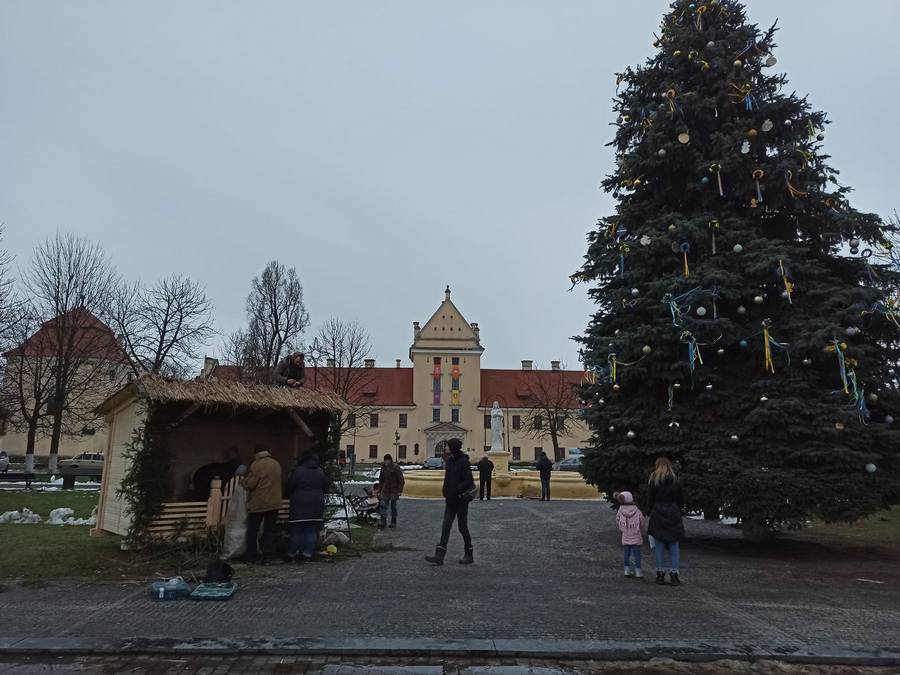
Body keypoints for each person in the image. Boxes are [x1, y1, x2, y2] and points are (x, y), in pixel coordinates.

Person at [425, 438, 476, 566]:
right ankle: (439, 556)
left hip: (460, 500)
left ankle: (469, 553)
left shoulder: (463, 462)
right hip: (450, 500)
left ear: (453, 447)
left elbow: (468, 480)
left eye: (447, 446)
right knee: (445, 526)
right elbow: (448, 479)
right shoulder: (449, 461)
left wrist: (457, 490)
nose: (445, 447)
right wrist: (446, 491)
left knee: (462, 527)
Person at [241, 445, 283, 564]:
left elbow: (251, 484)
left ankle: (252, 555)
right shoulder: (276, 463)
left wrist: (244, 481)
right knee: (269, 530)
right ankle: (268, 555)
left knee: (252, 530)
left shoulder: (256, 464)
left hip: (259, 503)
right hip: (274, 503)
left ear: (256, 453)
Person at [284, 453, 329, 563]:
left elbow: (290, 486)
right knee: (311, 530)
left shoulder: (298, 471)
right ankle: (307, 554)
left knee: (296, 530)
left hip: (299, 504)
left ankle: (292, 554)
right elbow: (326, 486)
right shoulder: (320, 471)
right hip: (316, 504)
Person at [647, 457, 685, 586]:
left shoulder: (654, 479)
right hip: (673, 510)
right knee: (674, 545)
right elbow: (681, 498)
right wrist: (677, 510)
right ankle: (674, 575)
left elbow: (651, 498)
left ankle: (660, 575)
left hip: (658, 510)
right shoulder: (675, 479)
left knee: (659, 545)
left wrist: (651, 511)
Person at [614, 490, 645, 580]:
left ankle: (626, 570)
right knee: (637, 554)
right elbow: (642, 521)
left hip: (626, 535)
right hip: (636, 534)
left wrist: (623, 526)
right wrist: (639, 528)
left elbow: (617, 519)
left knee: (626, 554)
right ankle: (638, 572)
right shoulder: (637, 510)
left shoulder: (621, 510)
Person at [377, 454, 405, 529]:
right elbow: (381, 480)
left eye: (388, 460)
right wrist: (379, 490)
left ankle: (393, 522)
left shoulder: (395, 467)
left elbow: (401, 480)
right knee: (383, 505)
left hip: (394, 490)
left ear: (390, 460)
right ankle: (383, 521)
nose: (387, 462)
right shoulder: (383, 468)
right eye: (385, 460)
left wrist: (399, 490)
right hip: (385, 490)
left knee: (393, 507)